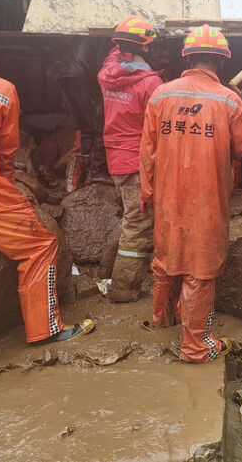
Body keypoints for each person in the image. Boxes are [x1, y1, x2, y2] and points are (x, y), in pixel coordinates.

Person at [0, 27, 93, 385]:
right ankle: (44, 329)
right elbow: (6, 152)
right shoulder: (0, 89)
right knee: (41, 244)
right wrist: (9, 189)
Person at [139, 24, 242, 363]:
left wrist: (146, 193)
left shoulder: (161, 94)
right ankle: (195, 346)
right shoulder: (229, 100)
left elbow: (148, 150)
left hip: (165, 195)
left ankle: (161, 319)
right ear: (221, 62)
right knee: (200, 269)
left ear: (187, 57)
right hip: (207, 196)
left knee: (166, 257)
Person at [97, 17, 164, 300]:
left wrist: (123, 41)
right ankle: (123, 288)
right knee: (139, 224)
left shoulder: (108, 73)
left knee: (131, 216)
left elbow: (116, 52)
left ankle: (105, 271)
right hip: (138, 161)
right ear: (145, 48)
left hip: (116, 158)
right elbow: (160, 129)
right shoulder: (151, 83)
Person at [57, 37, 111, 186]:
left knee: (85, 127)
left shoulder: (82, 33)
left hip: (65, 74)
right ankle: (98, 172)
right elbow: (102, 65)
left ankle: (90, 170)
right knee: (99, 124)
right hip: (84, 75)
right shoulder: (105, 37)